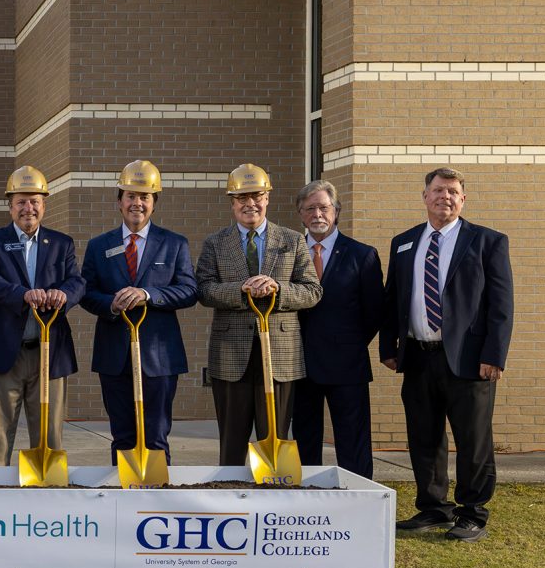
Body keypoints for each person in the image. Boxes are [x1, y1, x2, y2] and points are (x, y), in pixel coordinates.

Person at [381, 168, 512, 543]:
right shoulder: (404, 242)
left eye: (453, 191)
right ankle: (434, 507)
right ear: (424, 196)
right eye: (438, 190)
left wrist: (495, 355)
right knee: (424, 436)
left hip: (469, 361)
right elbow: (393, 297)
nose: (446, 197)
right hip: (419, 357)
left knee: (473, 440)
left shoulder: (487, 241)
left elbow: (501, 306)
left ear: (463, 199)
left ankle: (472, 513)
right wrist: (389, 345)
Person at [196, 164, 322, 466]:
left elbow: (312, 291)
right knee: (231, 442)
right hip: (230, 355)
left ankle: (271, 502)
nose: (249, 204)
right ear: (232, 202)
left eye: (256, 196)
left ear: (267, 198)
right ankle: (230, 500)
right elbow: (204, 289)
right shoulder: (215, 243)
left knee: (276, 438)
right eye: (241, 198)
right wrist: (242, 290)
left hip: (280, 355)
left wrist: (277, 289)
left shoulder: (292, 240)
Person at [78, 161, 198, 463]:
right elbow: (86, 293)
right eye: (131, 196)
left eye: (145, 197)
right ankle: (122, 497)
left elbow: (189, 290)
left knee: (156, 435)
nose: (137, 204)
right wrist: (110, 305)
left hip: (159, 356)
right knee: (122, 435)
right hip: (114, 355)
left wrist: (147, 294)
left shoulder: (174, 244)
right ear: (119, 202)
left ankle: (157, 499)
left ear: (154, 203)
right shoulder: (98, 246)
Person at [0, 165, 85, 467]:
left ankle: (46, 503)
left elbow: (76, 281)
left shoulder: (62, 244)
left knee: (49, 438)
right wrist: (22, 294)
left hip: (50, 352)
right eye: (21, 201)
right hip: (2, 352)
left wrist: (64, 296)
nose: (28, 208)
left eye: (34, 201)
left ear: (44, 205)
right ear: (10, 206)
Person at [293, 179, 385, 477]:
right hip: (298, 364)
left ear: (336, 211)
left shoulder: (362, 255)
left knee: (353, 441)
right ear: (301, 214)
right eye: (310, 209)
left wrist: (347, 343)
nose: (317, 214)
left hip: (347, 364)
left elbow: (374, 313)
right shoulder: (287, 254)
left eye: (323, 207)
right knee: (304, 440)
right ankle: (305, 498)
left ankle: (357, 496)